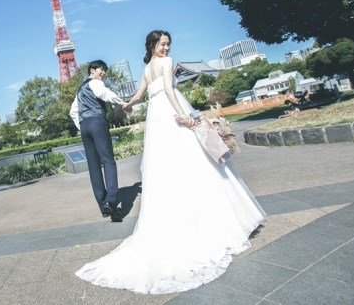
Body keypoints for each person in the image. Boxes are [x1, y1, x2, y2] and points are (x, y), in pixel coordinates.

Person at [75, 31, 266, 294]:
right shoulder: (165, 62)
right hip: (171, 111)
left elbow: (140, 95)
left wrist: (126, 105)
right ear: (153, 45)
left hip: (157, 119)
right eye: (163, 44)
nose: (167, 47)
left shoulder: (146, 68)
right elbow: (168, 89)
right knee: (193, 160)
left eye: (168, 44)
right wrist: (184, 116)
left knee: (167, 166)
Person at [70, 59, 127, 222]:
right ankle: (111, 200)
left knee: (94, 167)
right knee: (108, 161)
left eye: (105, 70)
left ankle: (103, 207)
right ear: (92, 70)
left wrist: (82, 126)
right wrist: (121, 102)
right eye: (101, 69)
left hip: (85, 126)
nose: (104, 73)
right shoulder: (95, 83)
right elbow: (105, 94)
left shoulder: (80, 90)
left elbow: (73, 112)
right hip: (97, 123)